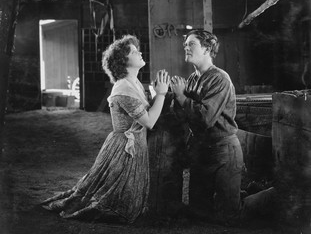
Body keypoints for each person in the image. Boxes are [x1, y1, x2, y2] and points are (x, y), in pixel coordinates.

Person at [41, 35, 170, 223]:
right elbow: (149, 122)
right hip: (123, 150)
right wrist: (162, 94)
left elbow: (146, 114)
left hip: (134, 146)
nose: (140, 52)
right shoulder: (123, 88)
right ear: (123, 61)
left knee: (129, 202)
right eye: (134, 52)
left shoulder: (133, 84)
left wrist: (156, 94)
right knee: (114, 203)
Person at [170, 29, 244, 226]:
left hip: (223, 152)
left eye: (191, 44)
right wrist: (174, 98)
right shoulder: (193, 79)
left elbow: (205, 119)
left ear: (207, 49)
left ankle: (252, 200)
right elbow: (181, 117)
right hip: (202, 151)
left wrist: (181, 97)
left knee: (227, 217)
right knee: (198, 213)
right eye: (185, 44)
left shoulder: (219, 78)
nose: (185, 47)